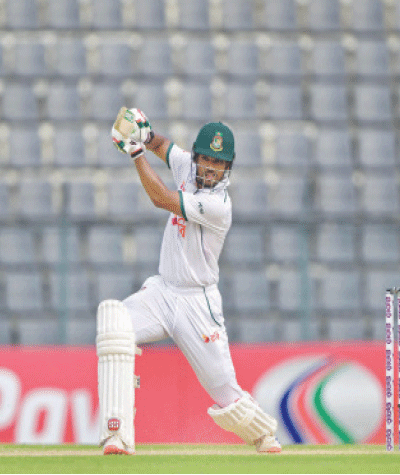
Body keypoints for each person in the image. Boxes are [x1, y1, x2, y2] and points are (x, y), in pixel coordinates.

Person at [94, 108, 282, 455]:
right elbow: (166, 146)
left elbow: (160, 199)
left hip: (198, 303)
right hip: (163, 291)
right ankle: (117, 433)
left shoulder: (218, 205)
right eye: (206, 159)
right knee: (115, 325)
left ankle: (264, 433)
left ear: (229, 166)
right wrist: (146, 136)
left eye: (219, 162)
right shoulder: (187, 167)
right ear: (196, 157)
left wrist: (135, 152)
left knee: (223, 389)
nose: (211, 168)